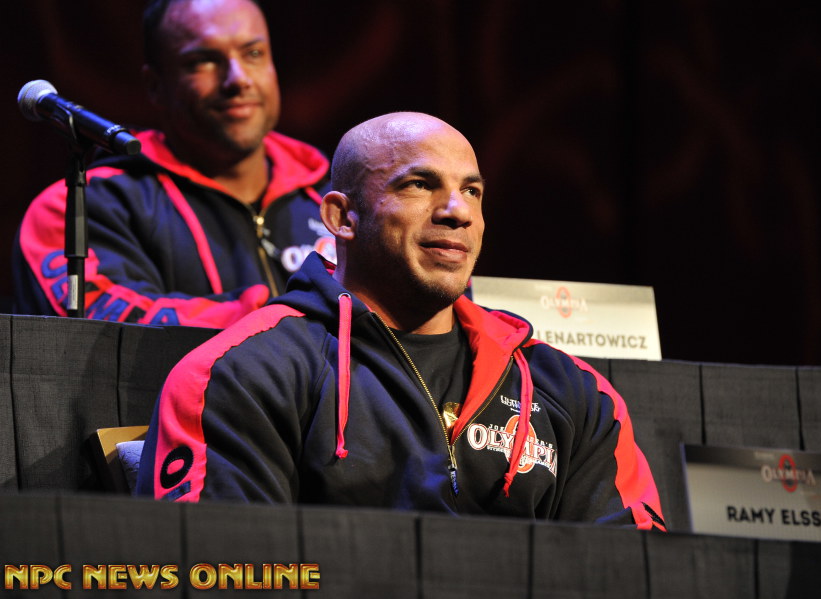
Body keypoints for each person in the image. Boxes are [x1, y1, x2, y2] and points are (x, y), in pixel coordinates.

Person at [136, 112, 666, 529]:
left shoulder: (574, 392)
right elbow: (224, 570)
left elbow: (633, 571)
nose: (457, 211)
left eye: (472, 191)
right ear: (342, 217)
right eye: (418, 184)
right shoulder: (243, 374)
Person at [11, 0, 331, 327]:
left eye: (253, 53)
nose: (238, 79)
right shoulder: (82, 206)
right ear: (155, 85)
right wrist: (271, 319)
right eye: (204, 61)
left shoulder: (335, 198)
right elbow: (112, 339)